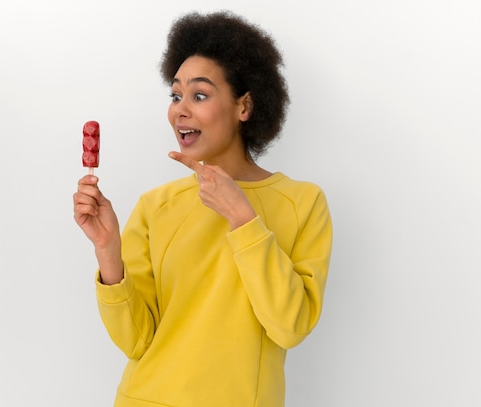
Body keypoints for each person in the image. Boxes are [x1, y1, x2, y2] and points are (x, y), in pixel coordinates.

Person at [73, 10, 333, 407]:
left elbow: (290, 326)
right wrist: (108, 250)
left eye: (199, 95)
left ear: (244, 106)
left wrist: (243, 219)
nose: (180, 109)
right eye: (175, 95)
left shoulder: (302, 202)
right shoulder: (155, 205)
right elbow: (137, 340)